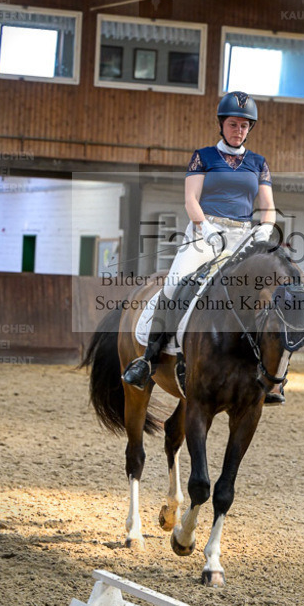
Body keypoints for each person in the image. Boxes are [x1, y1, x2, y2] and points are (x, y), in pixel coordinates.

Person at [122, 91, 282, 401]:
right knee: (173, 285)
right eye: (233, 124)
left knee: (266, 294)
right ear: (222, 125)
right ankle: (148, 358)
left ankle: (270, 375)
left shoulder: (258, 163)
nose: (239, 130)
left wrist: (264, 230)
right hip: (204, 232)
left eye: (244, 126)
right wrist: (205, 228)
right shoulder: (203, 156)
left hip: (244, 238)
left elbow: (268, 206)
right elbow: (190, 199)